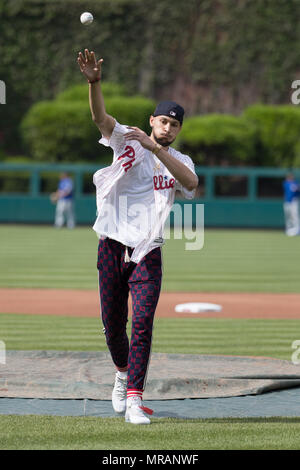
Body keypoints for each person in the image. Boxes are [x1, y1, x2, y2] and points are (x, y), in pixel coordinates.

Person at [77, 49, 198, 425]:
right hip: (112, 244)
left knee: (143, 322)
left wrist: (158, 148)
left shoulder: (178, 160)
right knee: (114, 325)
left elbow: (191, 184)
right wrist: (94, 83)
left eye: (174, 125)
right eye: (163, 121)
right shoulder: (128, 139)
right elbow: (100, 118)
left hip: (148, 252)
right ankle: (121, 372)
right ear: (151, 120)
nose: (168, 128)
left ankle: (134, 399)